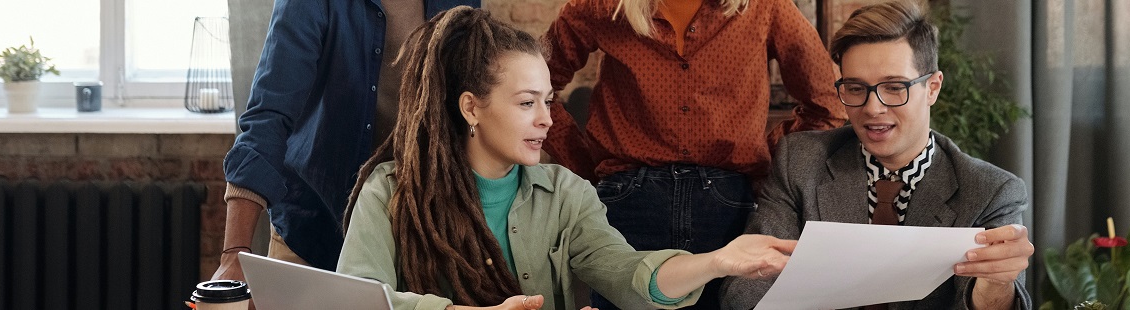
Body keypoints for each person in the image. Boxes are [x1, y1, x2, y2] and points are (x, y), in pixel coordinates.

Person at [335, 7, 796, 310]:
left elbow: (627, 274)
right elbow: (356, 302)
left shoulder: (567, 194)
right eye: (525, 103)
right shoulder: (390, 191)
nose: (547, 120)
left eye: (548, 101)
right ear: (471, 106)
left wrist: (719, 261)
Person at [720, 1, 1034, 309]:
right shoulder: (800, 162)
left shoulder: (989, 191)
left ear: (933, 88)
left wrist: (998, 280)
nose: (873, 108)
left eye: (895, 87)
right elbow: (743, 291)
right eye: (856, 88)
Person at [540, 0, 848, 307]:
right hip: (628, 201)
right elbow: (538, 85)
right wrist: (583, 170)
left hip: (728, 205)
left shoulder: (765, 7)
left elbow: (827, 105)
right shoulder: (601, 7)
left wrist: (767, 160)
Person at [214, 0, 482, 282]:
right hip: (315, 229)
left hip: (421, 239)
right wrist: (234, 251)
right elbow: (269, 114)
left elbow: (472, 102)